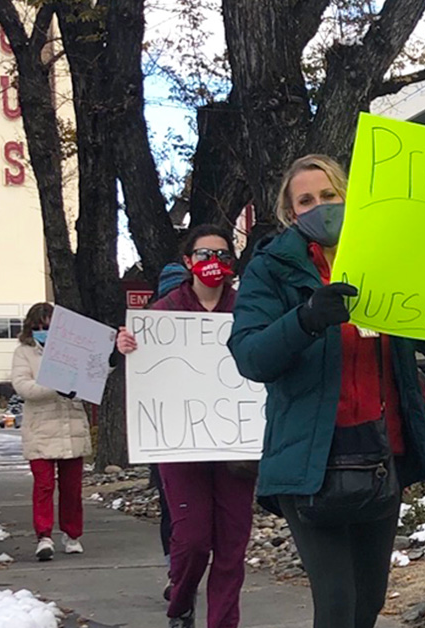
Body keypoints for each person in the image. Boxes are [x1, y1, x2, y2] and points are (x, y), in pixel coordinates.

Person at [228, 154, 425, 628]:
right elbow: (251, 356)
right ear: (289, 213)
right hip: (310, 462)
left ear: (349, 197)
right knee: (337, 603)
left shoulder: (385, 260)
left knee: (369, 600)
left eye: (328, 195)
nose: (319, 206)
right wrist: (305, 320)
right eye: (305, 200)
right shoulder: (272, 270)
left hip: (383, 454)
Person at [115, 226, 251, 628]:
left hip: (235, 448)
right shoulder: (160, 314)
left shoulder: (247, 311)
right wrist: (126, 346)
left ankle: (223, 622)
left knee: (231, 546)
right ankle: (181, 599)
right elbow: (145, 373)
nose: (216, 263)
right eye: (206, 253)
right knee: (192, 541)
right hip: (180, 447)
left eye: (224, 256)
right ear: (188, 261)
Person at [10, 302, 91, 562]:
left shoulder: (73, 350)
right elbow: (23, 386)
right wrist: (55, 386)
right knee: (43, 486)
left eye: (49, 326)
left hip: (71, 425)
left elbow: (94, 373)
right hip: (41, 428)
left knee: (72, 488)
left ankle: (72, 534)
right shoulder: (24, 352)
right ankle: (43, 536)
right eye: (40, 326)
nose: (44, 330)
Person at [147, 261, 191, 602]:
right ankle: (175, 573)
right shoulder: (147, 332)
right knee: (172, 509)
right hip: (167, 437)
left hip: (212, 436)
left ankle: (184, 572)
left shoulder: (216, 323)